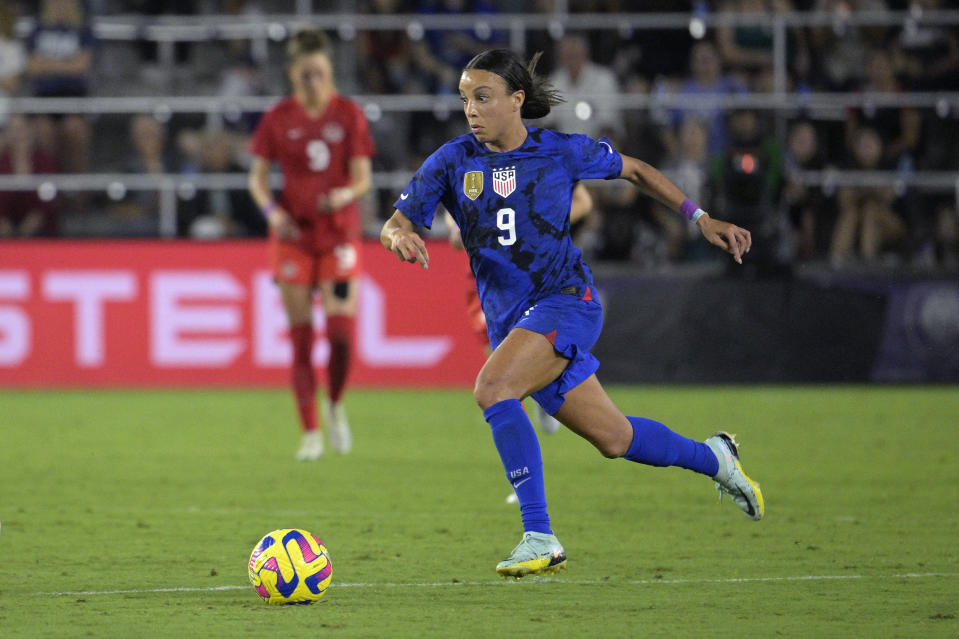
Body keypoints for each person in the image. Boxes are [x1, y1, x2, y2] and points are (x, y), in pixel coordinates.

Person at [381, 48, 763, 580]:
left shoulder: (559, 151)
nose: (471, 109)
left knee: (493, 390)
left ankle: (539, 534)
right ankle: (716, 458)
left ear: (517, 100)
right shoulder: (452, 161)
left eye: (483, 97)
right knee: (616, 439)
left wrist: (698, 217)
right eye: (466, 98)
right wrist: (400, 236)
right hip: (516, 323)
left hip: (567, 302)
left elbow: (636, 170)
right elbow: (396, 222)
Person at [248, 29, 375, 461]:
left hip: (338, 236)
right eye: (305, 75)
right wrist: (273, 213)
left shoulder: (349, 115)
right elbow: (258, 179)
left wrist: (344, 195)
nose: (313, 83)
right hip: (294, 240)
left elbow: (363, 178)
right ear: (292, 75)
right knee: (301, 341)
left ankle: (336, 404)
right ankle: (310, 434)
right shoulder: (278, 117)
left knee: (340, 337)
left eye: (319, 74)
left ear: (330, 72)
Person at [445, 182, 593, 505]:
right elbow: (451, 219)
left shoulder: (539, 157)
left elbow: (583, 201)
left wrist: (536, 223)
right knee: (499, 374)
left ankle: (540, 401)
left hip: (534, 274)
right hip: (485, 280)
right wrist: (459, 230)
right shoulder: (463, 163)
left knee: (508, 375)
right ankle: (525, 472)